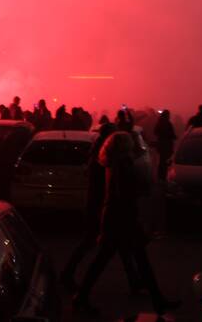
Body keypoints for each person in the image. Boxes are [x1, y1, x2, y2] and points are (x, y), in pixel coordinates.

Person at [73, 132, 178, 317]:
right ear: (124, 147)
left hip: (116, 219)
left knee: (110, 261)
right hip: (122, 220)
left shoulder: (113, 163)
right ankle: (158, 301)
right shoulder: (123, 165)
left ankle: (158, 301)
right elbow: (125, 195)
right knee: (131, 260)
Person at [61, 122, 118, 291]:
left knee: (124, 249)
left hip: (97, 206)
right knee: (92, 243)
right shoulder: (101, 161)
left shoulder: (98, 157)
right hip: (98, 207)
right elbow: (102, 189)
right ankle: (69, 277)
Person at [153, 110, 177, 181]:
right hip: (166, 145)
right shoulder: (168, 124)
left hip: (161, 145)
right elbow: (172, 134)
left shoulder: (159, 123)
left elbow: (155, 132)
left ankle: (160, 176)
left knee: (162, 161)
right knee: (165, 161)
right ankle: (163, 177)